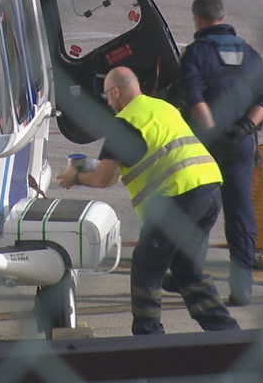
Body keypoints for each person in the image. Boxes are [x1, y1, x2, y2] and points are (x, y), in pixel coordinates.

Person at [58, 66, 238, 335]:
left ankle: (148, 335)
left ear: (116, 92)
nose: (107, 101)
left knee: (146, 266)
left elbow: (104, 179)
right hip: (208, 189)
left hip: (177, 197)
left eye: (107, 95)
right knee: (186, 269)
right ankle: (227, 332)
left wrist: (75, 177)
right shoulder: (161, 107)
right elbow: (147, 153)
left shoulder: (124, 122)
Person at [177, 0, 263, 307]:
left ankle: (188, 275)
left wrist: (211, 131)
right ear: (223, 16)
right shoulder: (249, 53)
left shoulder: (195, 54)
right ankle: (242, 285)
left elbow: (193, 96)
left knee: (197, 209)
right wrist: (246, 127)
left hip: (206, 145)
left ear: (198, 19)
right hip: (241, 143)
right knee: (241, 210)